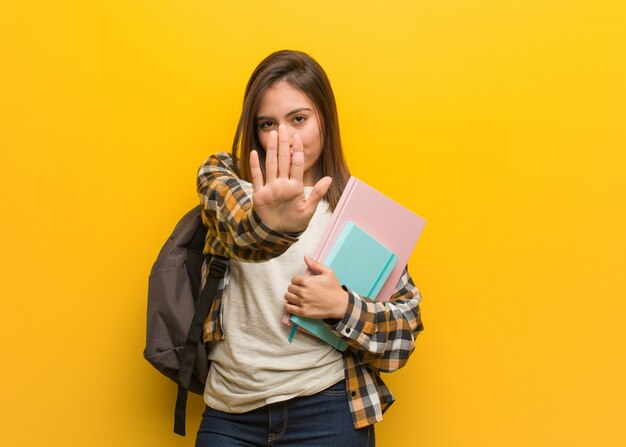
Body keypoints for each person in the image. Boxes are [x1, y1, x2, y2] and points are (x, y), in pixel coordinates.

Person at [195, 50, 424, 447]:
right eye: (268, 124)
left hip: (328, 407)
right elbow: (243, 238)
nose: (284, 137)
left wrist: (341, 307)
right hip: (230, 411)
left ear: (325, 120)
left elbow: (405, 330)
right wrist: (273, 225)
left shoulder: (359, 213)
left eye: (299, 119)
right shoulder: (224, 180)